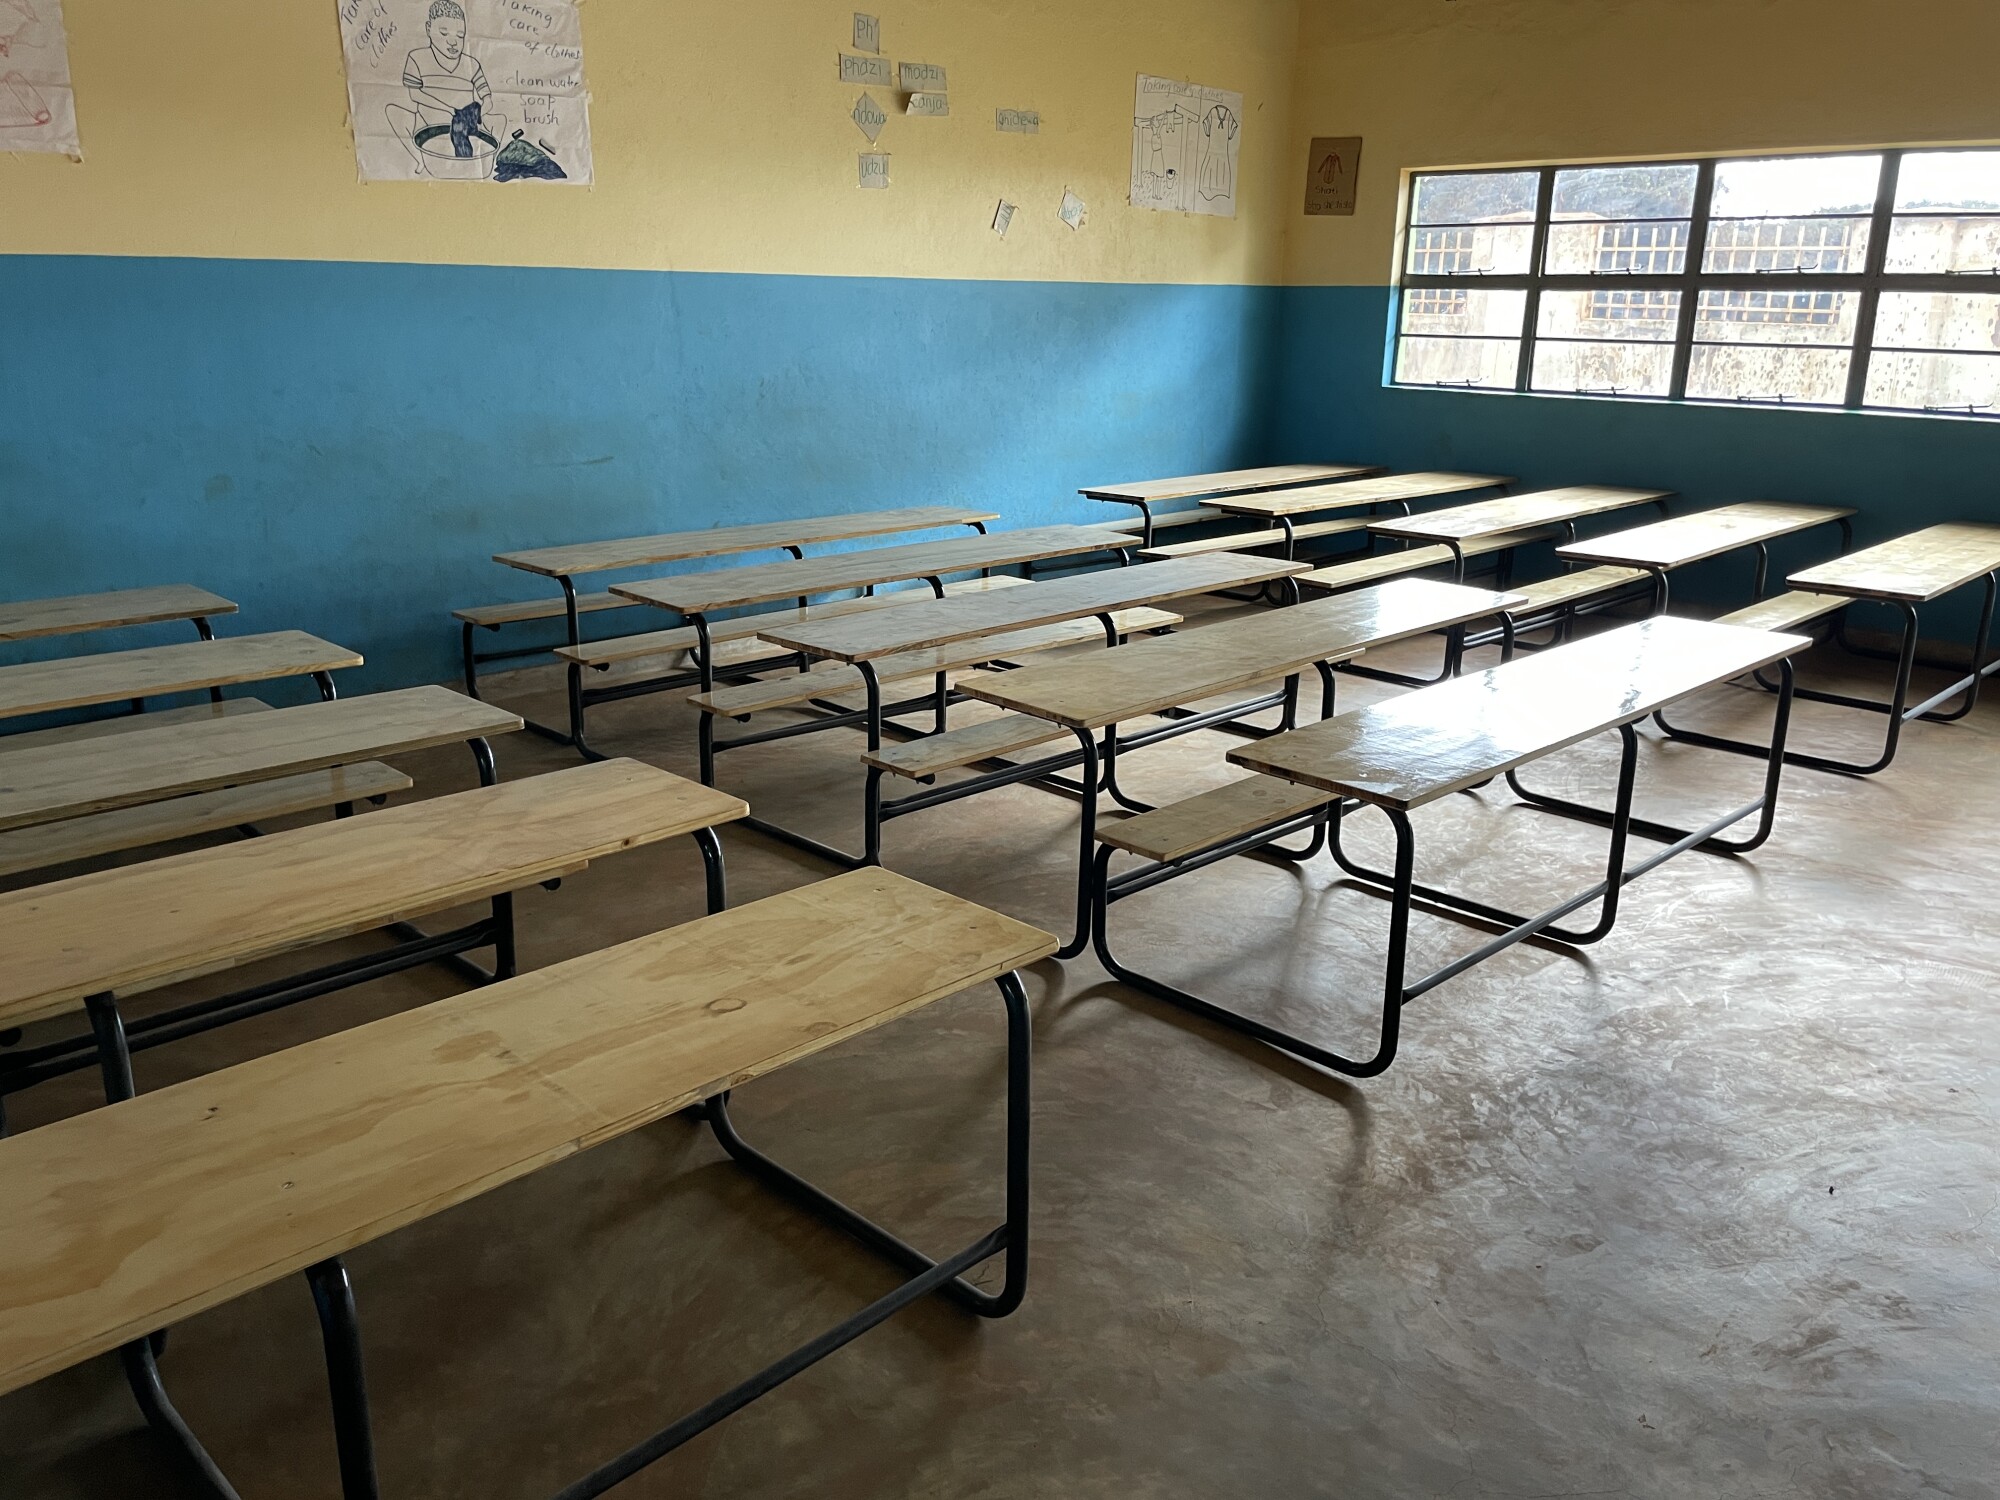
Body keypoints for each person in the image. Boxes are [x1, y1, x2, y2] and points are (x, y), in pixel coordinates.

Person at [387, 0, 507, 174]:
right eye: (444, 33)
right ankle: (420, 159)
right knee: (393, 112)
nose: (452, 42)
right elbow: (415, 95)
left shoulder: (471, 63)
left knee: (501, 119)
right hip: (428, 123)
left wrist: (477, 114)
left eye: (460, 36)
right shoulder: (417, 58)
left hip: (468, 126)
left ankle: (487, 161)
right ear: (429, 29)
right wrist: (449, 110)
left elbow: (487, 99)